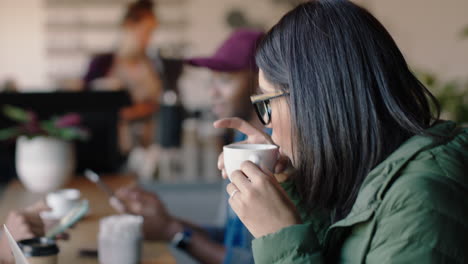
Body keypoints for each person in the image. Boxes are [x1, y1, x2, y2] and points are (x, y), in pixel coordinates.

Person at [215, 1, 468, 263]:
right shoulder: (369, 178)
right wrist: (290, 188)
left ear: (313, 99)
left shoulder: (420, 201)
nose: (266, 123)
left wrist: (280, 238)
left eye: (266, 103)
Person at [113, 30, 267, 264]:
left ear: (261, 81)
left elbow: (260, 260)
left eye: (224, 80)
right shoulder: (240, 141)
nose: (212, 93)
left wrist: (172, 232)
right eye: (211, 81)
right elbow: (232, 239)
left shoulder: (277, 153)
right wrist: (165, 222)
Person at [83, 0, 162, 154]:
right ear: (129, 27)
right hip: (110, 146)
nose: (149, 39)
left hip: (149, 145)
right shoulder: (102, 63)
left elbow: (160, 101)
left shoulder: (152, 65)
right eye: (146, 31)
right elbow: (86, 105)